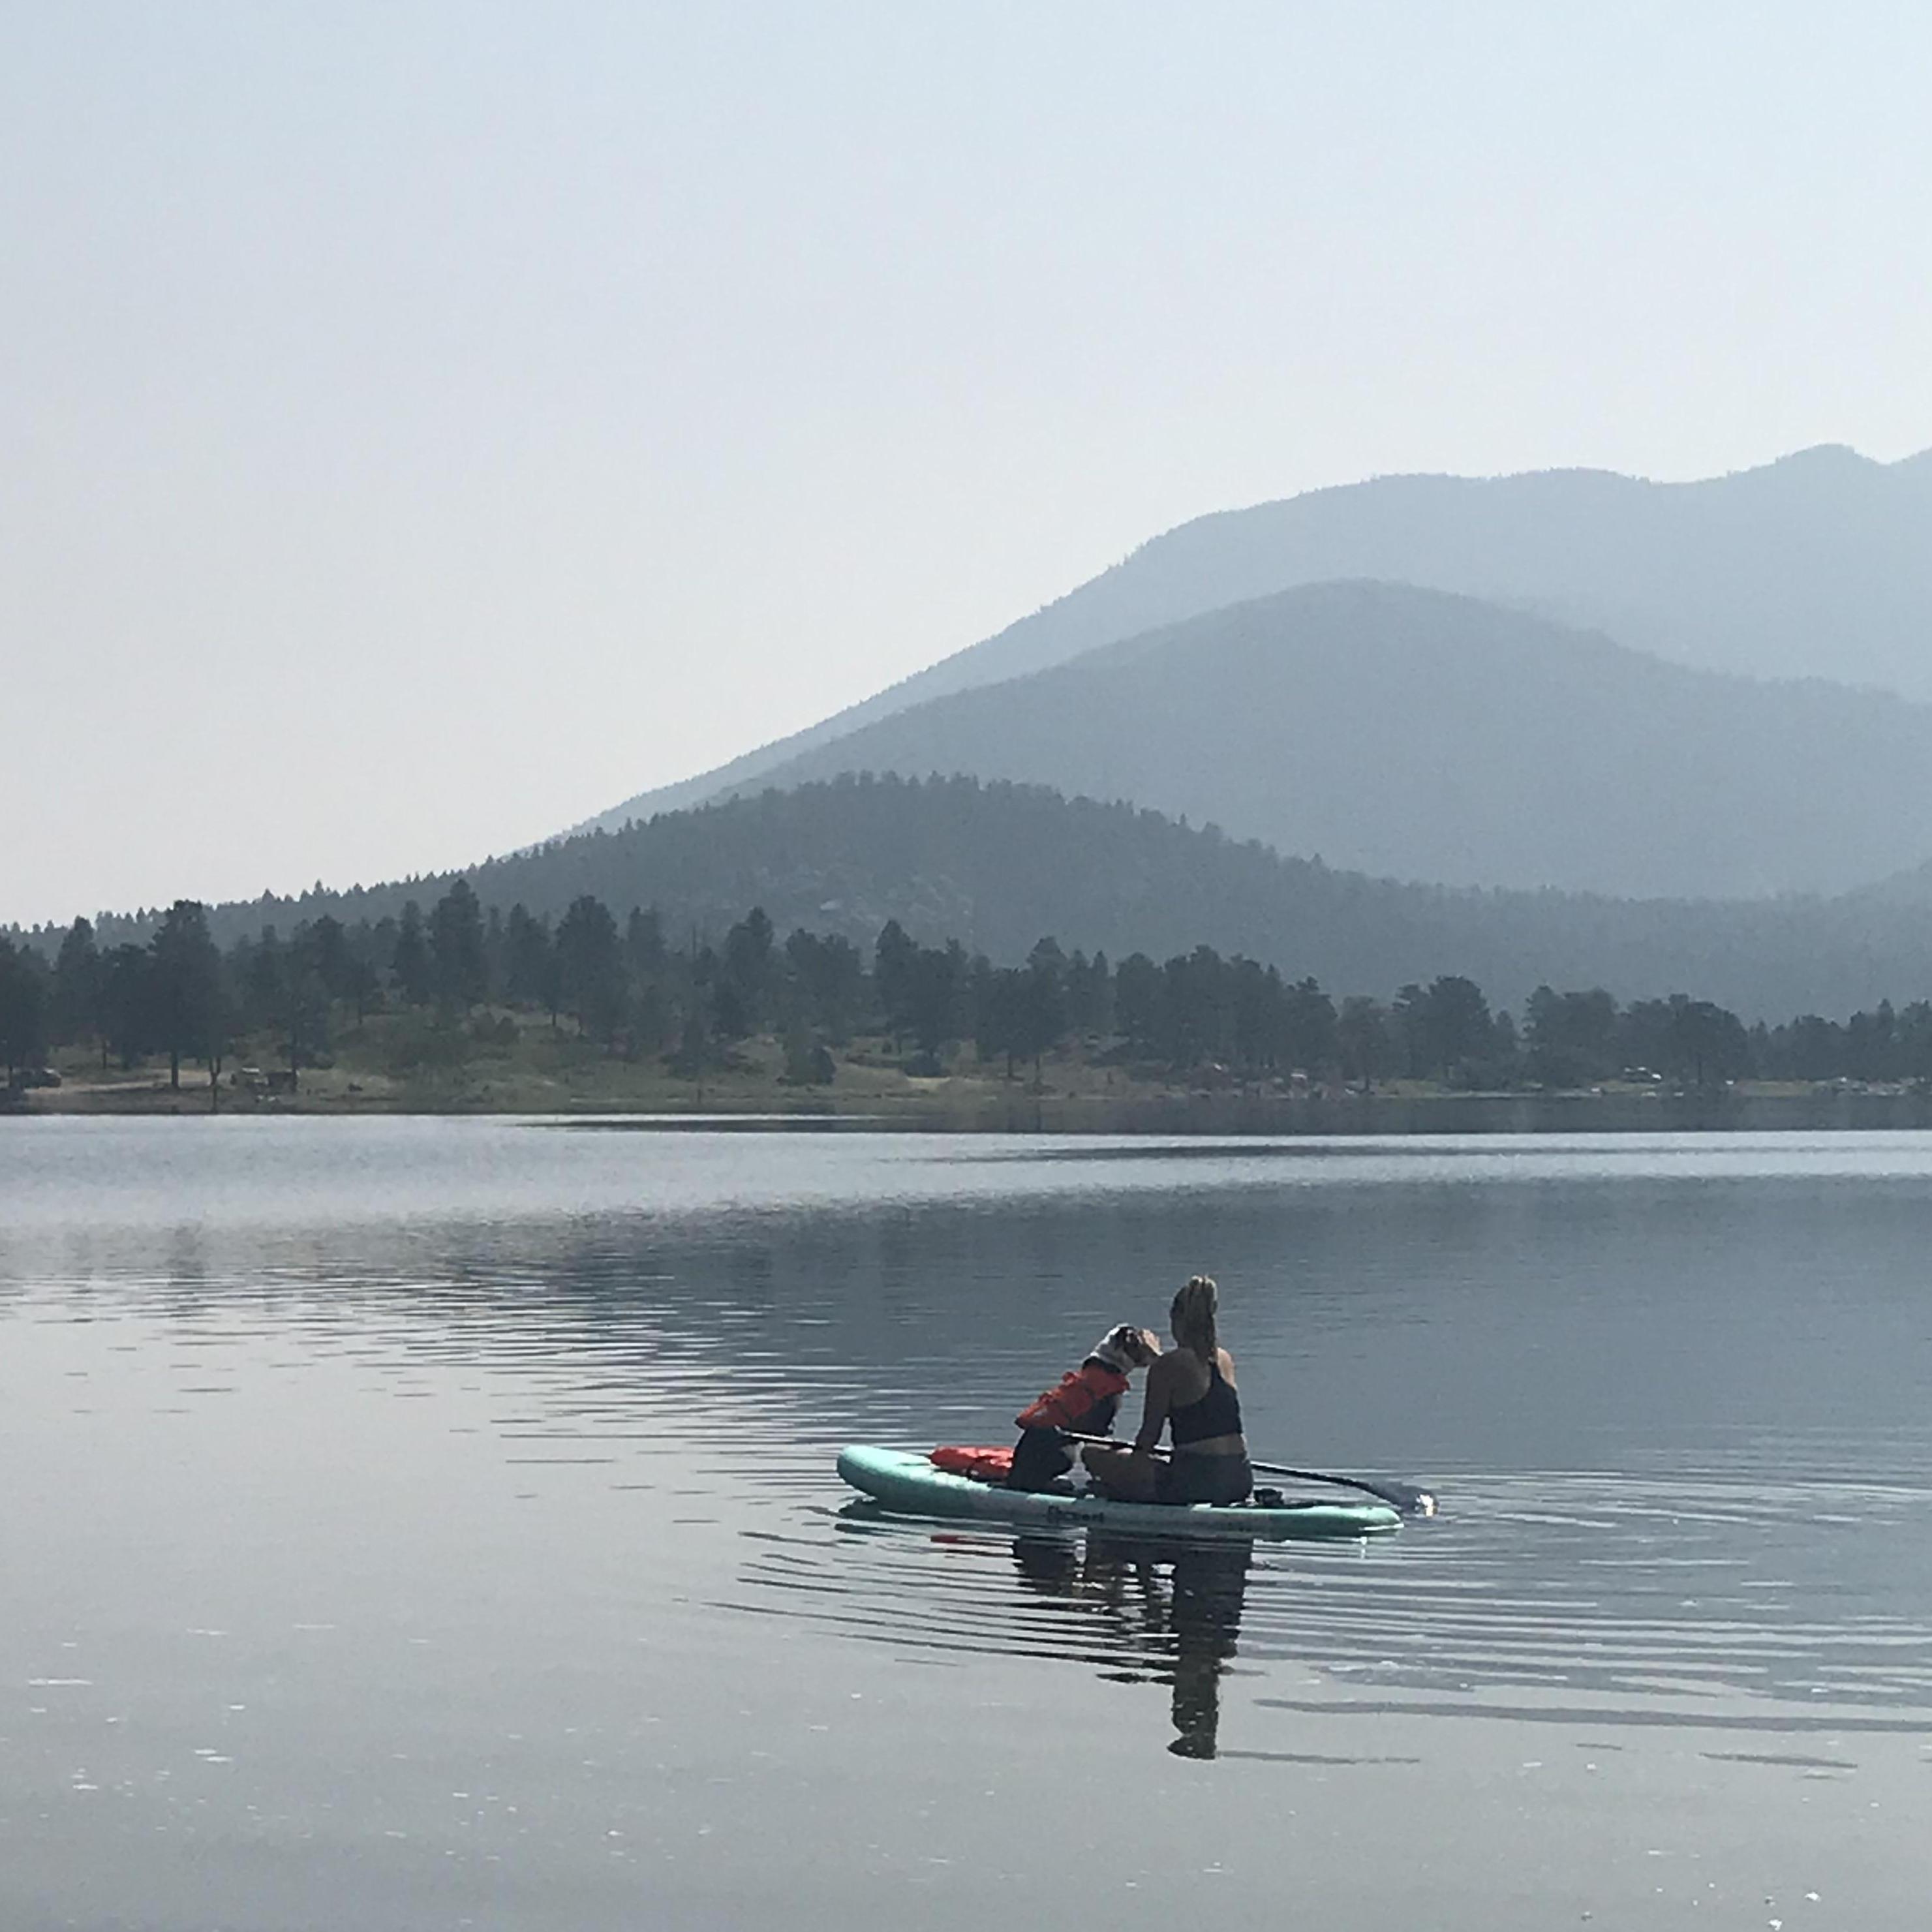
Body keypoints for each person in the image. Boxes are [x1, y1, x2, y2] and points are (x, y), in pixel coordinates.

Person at [1083, 1275, 1252, 1506]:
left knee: (1092, 1453)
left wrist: (1125, 1464)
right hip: (1240, 1478)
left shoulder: (1166, 1367)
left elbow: (1148, 1440)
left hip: (1197, 1483)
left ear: (1177, 1320)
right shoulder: (1224, 1359)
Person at [1007, 1324, 1161, 1492]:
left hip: (1034, 1447)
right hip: (1047, 1450)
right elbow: (1097, 1435)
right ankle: (1041, 1484)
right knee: (1076, 1455)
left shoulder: (1093, 1375)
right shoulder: (1107, 1389)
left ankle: (1036, 1479)